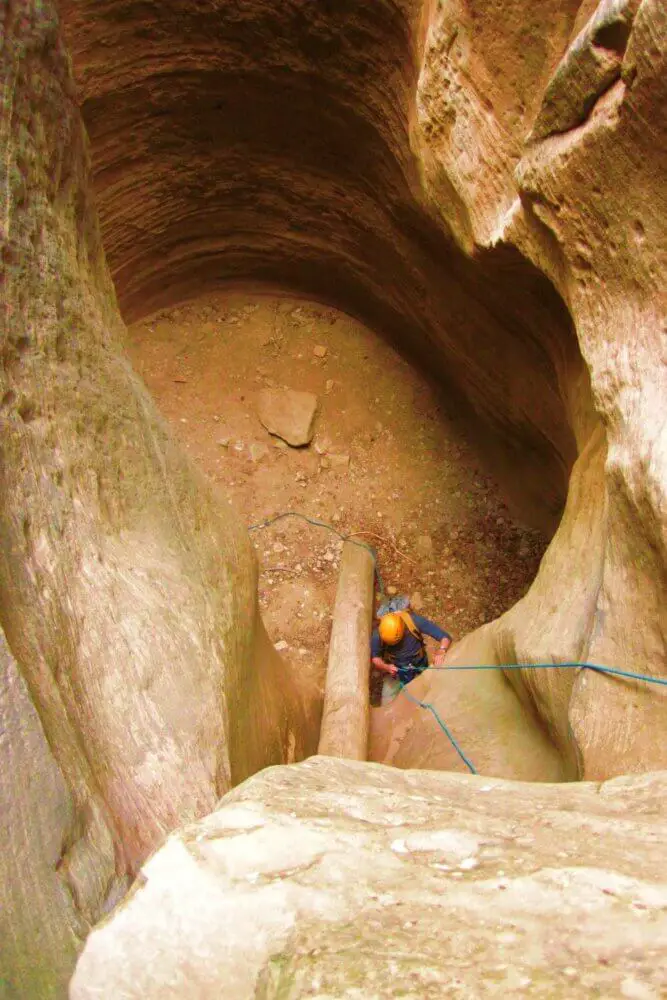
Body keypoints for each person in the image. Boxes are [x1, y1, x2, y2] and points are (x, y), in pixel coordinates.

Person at [371, 608, 452, 687]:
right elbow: (375, 658)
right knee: (408, 685)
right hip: (400, 667)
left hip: (420, 660)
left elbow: (445, 637)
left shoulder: (413, 621)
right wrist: (386, 667)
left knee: (426, 678)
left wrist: (442, 649)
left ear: (402, 628)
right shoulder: (378, 635)